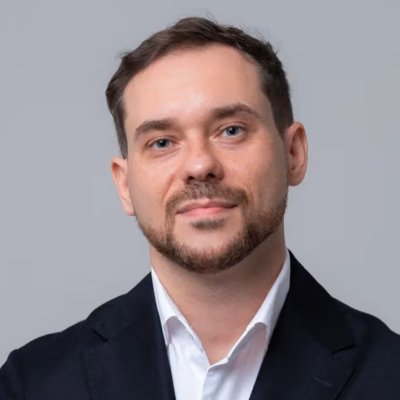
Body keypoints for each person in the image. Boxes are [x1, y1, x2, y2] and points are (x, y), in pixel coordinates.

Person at [1, 15, 399, 400]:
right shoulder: (30, 385)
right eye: (162, 142)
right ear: (124, 185)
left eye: (231, 130)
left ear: (293, 153)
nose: (199, 165)